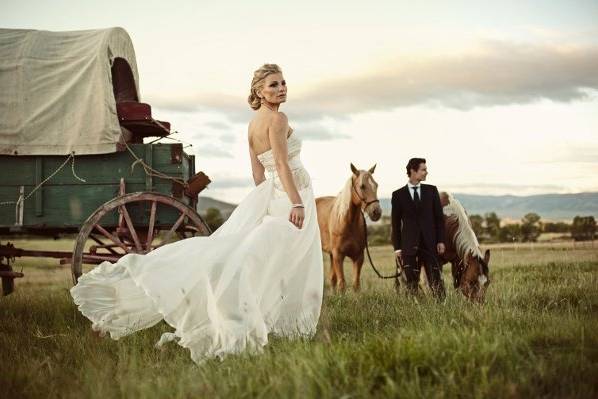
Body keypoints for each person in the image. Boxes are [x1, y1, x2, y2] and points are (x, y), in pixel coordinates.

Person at [71, 64, 324, 364]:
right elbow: (281, 165)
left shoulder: (253, 123)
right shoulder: (278, 119)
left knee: (260, 258)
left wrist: (268, 198)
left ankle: (267, 315)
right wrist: (295, 203)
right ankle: (267, 319)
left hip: (275, 196)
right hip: (292, 198)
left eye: (283, 82)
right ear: (259, 91)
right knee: (274, 260)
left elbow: (258, 172)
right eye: (273, 85)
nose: (281, 88)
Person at [391, 158, 446, 299]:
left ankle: (442, 308)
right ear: (413, 171)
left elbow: (439, 218)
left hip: (430, 244)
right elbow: (395, 224)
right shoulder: (398, 195)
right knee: (411, 283)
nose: (426, 172)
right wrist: (397, 248)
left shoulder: (432, 191)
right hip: (409, 246)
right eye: (423, 169)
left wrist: (441, 241)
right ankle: (415, 309)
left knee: (436, 280)